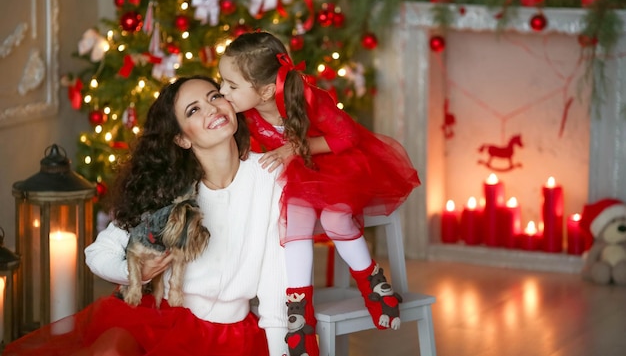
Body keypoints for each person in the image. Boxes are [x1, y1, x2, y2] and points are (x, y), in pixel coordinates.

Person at [3, 76, 289, 356]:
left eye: (214, 96)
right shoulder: (165, 188)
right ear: (182, 139)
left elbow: (276, 293)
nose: (212, 108)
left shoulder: (268, 177)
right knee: (109, 350)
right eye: (194, 109)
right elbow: (98, 253)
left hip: (229, 336)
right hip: (157, 320)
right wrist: (136, 273)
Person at [218, 31, 421, 356]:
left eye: (231, 85)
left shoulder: (307, 98)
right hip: (299, 173)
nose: (222, 91)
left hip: (335, 162)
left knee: (335, 215)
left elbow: (347, 136)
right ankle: (300, 316)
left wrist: (295, 147)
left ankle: (373, 284)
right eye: (222, 82)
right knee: (294, 218)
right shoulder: (245, 112)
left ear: (267, 90)